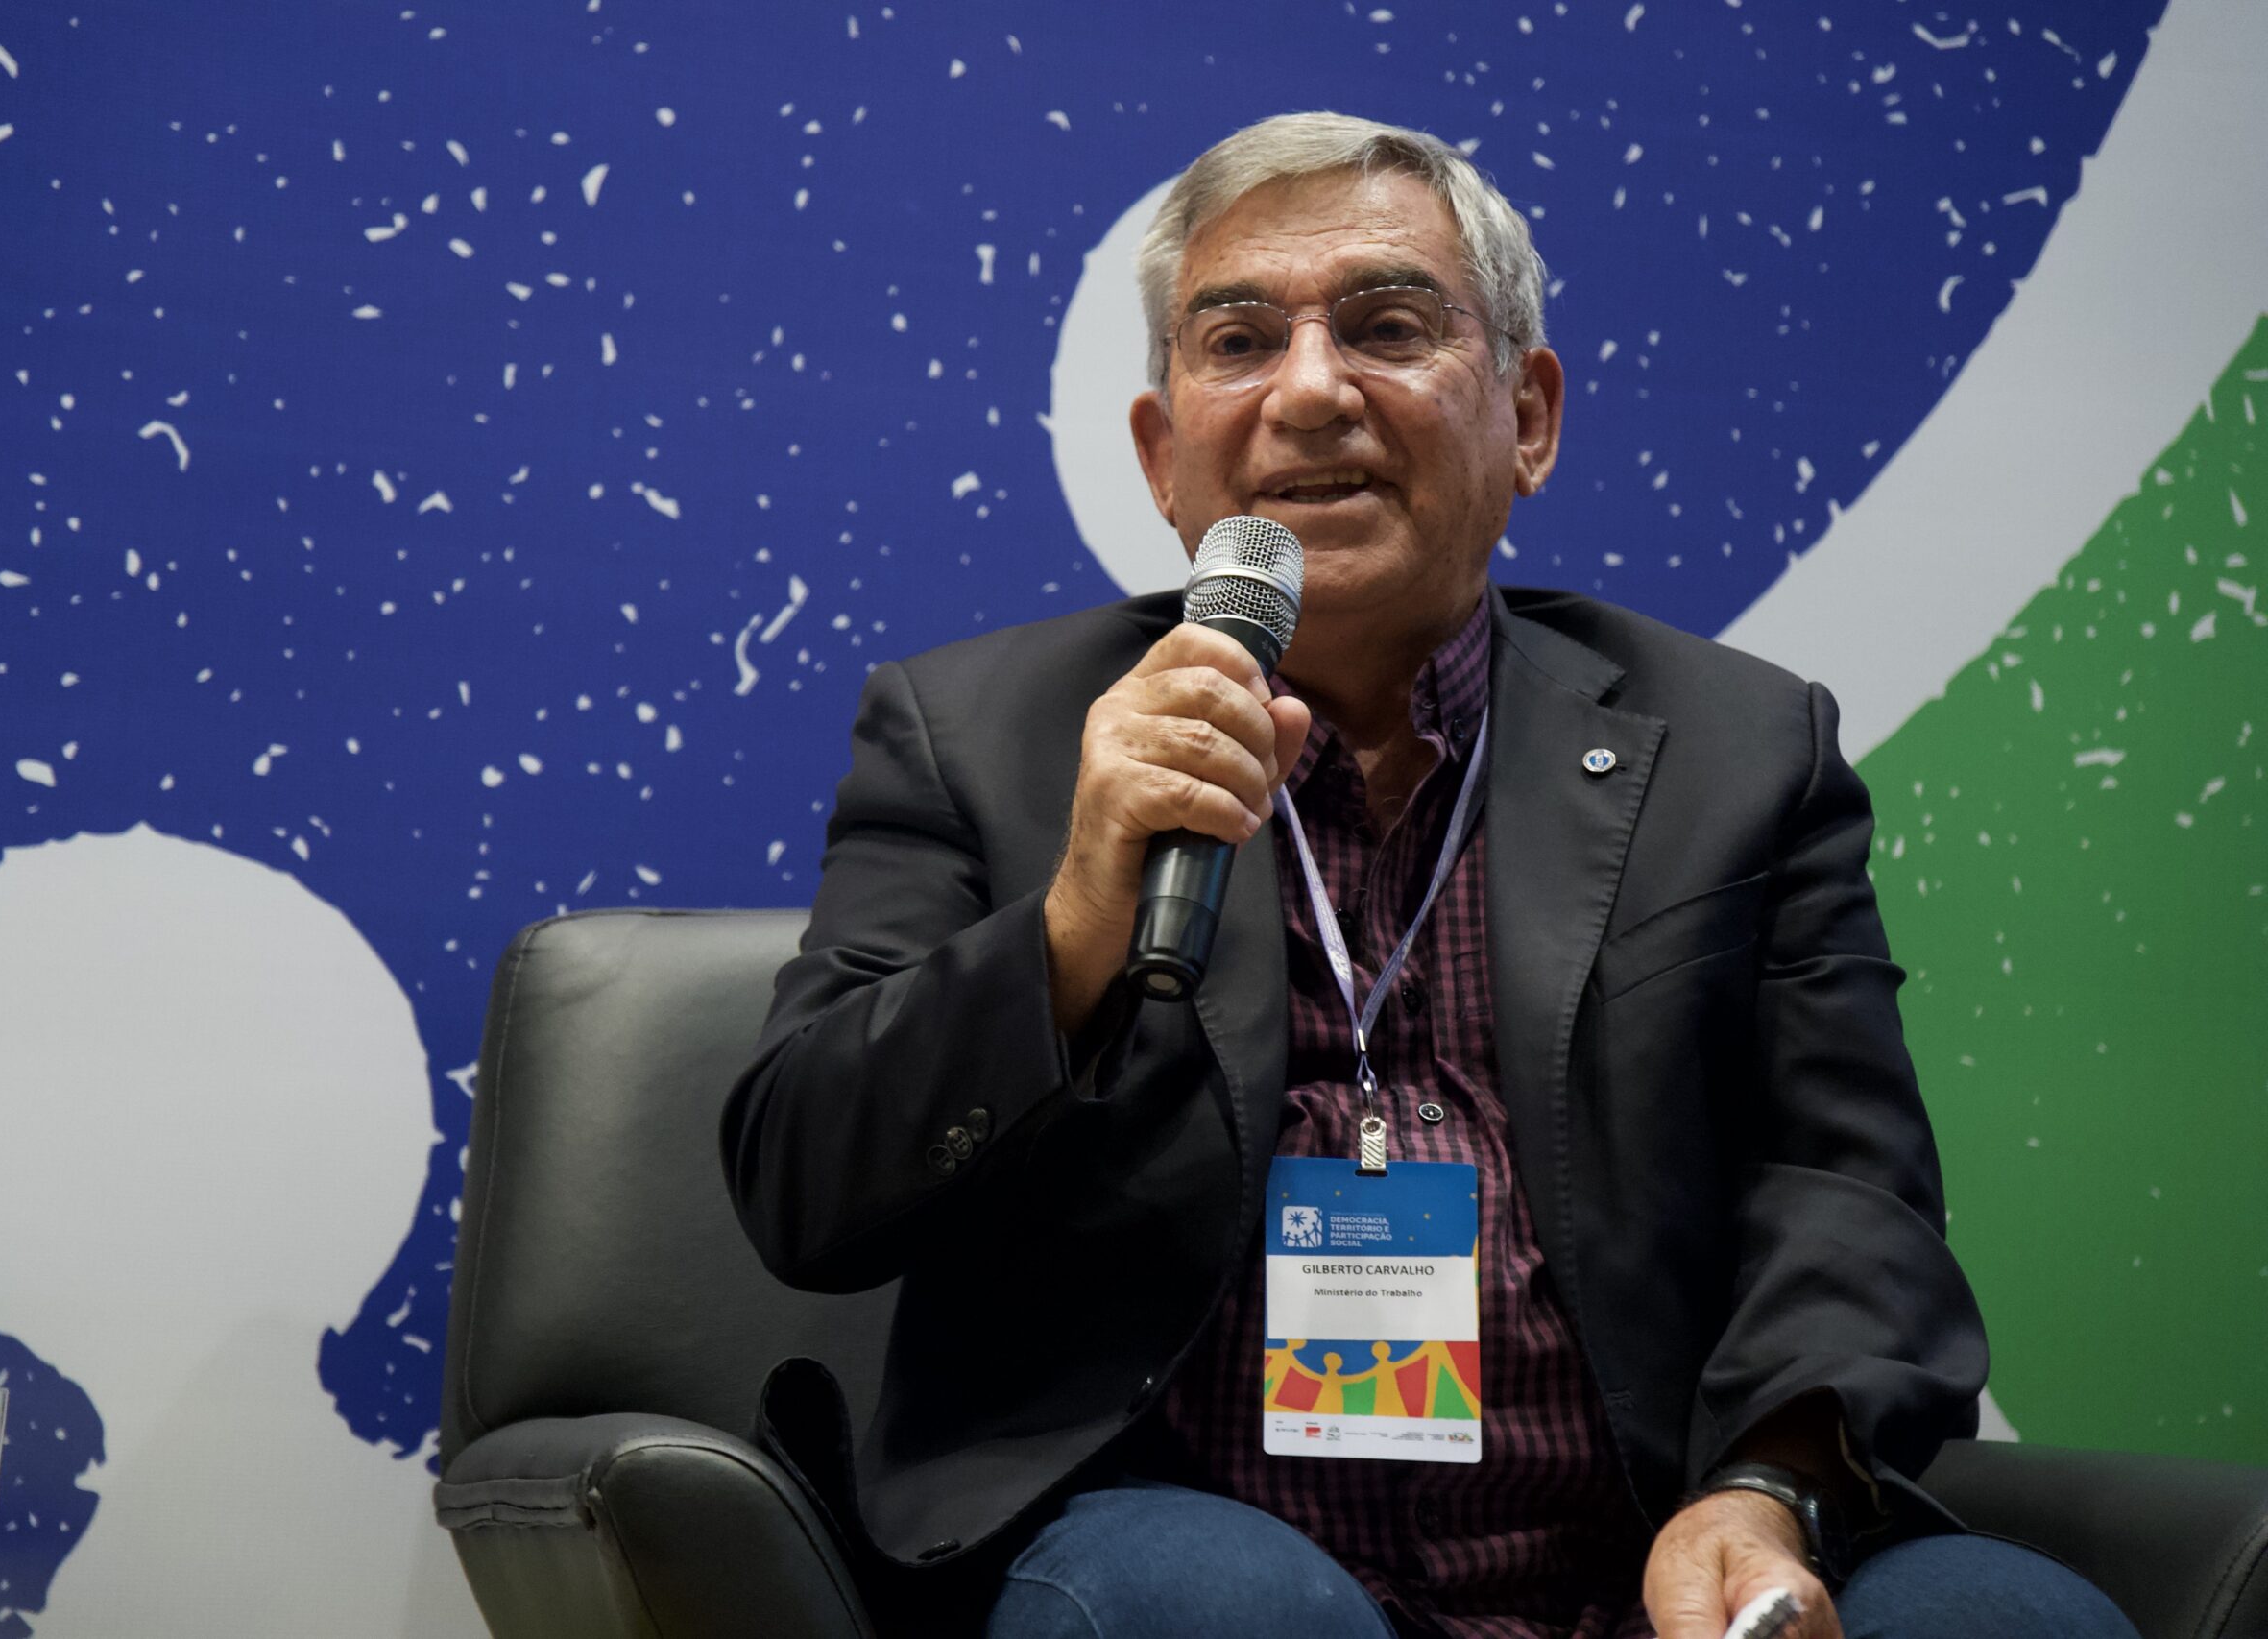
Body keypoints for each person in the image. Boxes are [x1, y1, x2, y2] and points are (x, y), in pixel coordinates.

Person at [722, 113, 2135, 1639]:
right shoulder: (975, 737)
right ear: (1162, 455)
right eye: (1239, 342)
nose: (1310, 390)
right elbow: (806, 1189)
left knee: (2009, 1620)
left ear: (1528, 418)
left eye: (1388, 328)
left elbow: (1849, 1199)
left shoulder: (1739, 754)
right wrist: (1076, 921)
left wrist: (1762, 1492)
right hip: (1202, 1563)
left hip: (1641, 1566)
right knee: (1199, 1604)